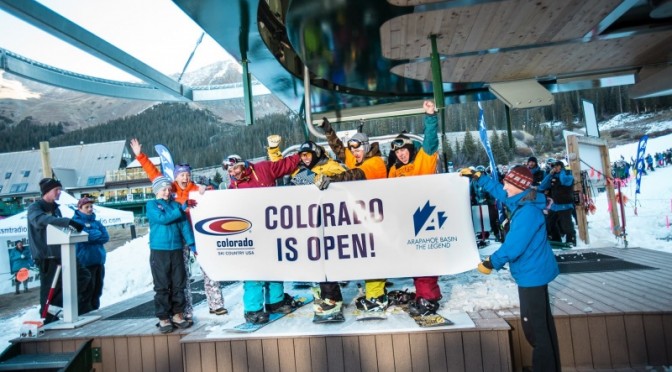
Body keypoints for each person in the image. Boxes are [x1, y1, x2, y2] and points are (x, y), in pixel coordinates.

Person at [460, 165, 561, 372]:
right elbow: (501, 192)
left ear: (518, 186)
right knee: (541, 325)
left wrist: (491, 262)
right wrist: (481, 177)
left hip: (532, 274)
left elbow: (514, 246)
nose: (504, 186)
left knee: (534, 329)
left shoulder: (528, 212)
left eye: (508, 182)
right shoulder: (523, 199)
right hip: (533, 271)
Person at [130, 138, 227, 322]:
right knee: (182, 275)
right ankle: (185, 310)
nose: (185, 178)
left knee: (209, 267)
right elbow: (153, 172)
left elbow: (214, 198)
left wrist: (209, 189)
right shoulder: (169, 189)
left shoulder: (196, 189)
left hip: (198, 234)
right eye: (181, 175)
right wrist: (140, 156)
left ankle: (216, 304)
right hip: (177, 236)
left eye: (187, 174)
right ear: (175, 177)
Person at [266, 136, 362, 321]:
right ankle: (327, 295)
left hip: (332, 221)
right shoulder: (303, 172)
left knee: (327, 261)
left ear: (316, 153)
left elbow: (348, 176)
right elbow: (280, 166)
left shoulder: (330, 165)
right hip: (310, 222)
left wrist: (330, 180)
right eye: (302, 155)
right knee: (317, 261)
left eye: (308, 154)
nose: (305, 158)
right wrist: (273, 150)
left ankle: (332, 298)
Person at [318, 117, 388, 313]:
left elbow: (355, 175)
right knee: (368, 256)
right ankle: (374, 293)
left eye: (358, 150)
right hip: (365, 216)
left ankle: (377, 296)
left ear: (365, 147)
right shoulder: (360, 158)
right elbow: (341, 151)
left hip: (378, 217)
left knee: (374, 257)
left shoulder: (375, 162)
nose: (355, 154)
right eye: (353, 150)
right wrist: (328, 130)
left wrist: (331, 179)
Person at [225, 151, 302, 324]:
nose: (233, 173)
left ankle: (275, 301)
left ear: (243, 165)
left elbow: (285, 165)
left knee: (275, 265)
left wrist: (302, 154)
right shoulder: (232, 188)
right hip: (251, 233)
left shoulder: (263, 169)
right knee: (254, 270)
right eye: (230, 171)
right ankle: (253, 309)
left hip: (272, 227)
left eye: (235, 168)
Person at [387, 100, 443, 317]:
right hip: (405, 221)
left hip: (424, 218)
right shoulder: (393, 170)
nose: (402, 154)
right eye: (398, 151)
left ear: (410, 148)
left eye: (404, 150)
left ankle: (429, 298)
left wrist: (430, 116)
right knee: (414, 261)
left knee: (425, 260)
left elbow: (430, 142)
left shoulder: (422, 160)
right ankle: (423, 294)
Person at [27, 178, 91, 324]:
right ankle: (48, 316)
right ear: (47, 192)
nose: (59, 193)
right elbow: (40, 221)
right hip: (46, 255)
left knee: (83, 276)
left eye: (60, 189)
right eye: (56, 190)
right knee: (50, 286)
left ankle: (61, 307)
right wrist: (67, 222)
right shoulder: (35, 208)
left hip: (63, 252)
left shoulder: (56, 208)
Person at [146, 176, 195, 333]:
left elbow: (184, 226)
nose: (167, 192)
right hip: (159, 250)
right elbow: (163, 219)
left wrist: (192, 244)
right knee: (162, 285)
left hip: (176, 249)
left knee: (178, 283)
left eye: (169, 189)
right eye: (163, 189)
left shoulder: (175, 205)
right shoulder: (152, 205)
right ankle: (163, 318)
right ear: (156, 191)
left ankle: (177, 314)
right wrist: (180, 209)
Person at [73, 197, 109, 311]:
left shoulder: (96, 222)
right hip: (85, 262)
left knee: (97, 290)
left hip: (98, 260)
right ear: (79, 208)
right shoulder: (75, 222)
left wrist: (91, 235)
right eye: (86, 207)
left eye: (91, 206)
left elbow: (105, 237)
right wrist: (95, 234)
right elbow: (84, 237)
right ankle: (85, 313)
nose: (90, 209)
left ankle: (95, 311)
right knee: (87, 290)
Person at [539, 160, 576, 246]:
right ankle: (556, 239)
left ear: (561, 167)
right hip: (555, 205)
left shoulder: (568, 175)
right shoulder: (553, 176)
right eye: (554, 166)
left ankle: (571, 240)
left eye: (557, 166)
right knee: (549, 223)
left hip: (565, 205)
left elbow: (564, 181)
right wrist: (550, 175)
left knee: (566, 225)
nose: (555, 168)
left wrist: (562, 171)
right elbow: (542, 186)